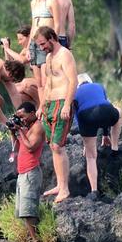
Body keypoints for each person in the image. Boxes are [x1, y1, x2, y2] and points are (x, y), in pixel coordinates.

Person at [34, 26, 78, 203]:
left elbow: (73, 80)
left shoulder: (65, 54)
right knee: (52, 146)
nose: (41, 48)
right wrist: (41, 106)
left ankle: (65, 188)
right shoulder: (49, 56)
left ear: (52, 38)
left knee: (57, 146)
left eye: (43, 44)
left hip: (61, 103)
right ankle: (60, 185)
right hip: (49, 104)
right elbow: (48, 84)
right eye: (39, 45)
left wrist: (67, 104)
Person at [73, 73, 122, 200]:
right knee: (118, 111)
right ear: (89, 81)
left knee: (91, 157)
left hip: (86, 116)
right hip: (105, 112)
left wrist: (86, 142)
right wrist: (105, 134)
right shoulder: (99, 86)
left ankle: (94, 191)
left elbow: (77, 117)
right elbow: (104, 106)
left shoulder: (74, 93)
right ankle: (115, 148)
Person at [11, 101, 46, 242]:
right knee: (23, 211)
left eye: (23, 116)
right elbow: (17, 147)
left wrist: (20, 130)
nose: (22, 120)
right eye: (19, 117)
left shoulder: (38, 127)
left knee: (28, 211)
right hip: (22, 172)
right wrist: (14, 132)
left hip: (31, 172)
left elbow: (31, 146)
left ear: (32, 113)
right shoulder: (27, 128)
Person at [24, 0, 62, 104]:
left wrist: (54, 42)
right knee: (39, 82)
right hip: (35, 42)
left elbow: (57, 23)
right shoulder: (33, 2)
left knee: (47, 80)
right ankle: (42, 108)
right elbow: (34, 24)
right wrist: (29, 47)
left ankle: (50, 105)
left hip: (46, 42)